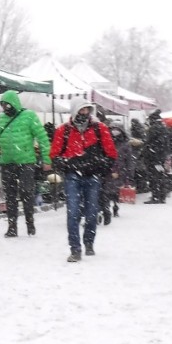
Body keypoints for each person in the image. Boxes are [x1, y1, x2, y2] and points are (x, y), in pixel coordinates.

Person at [50, 98, 117, 262]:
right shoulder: (63, 131)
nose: (85, 113)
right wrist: (66, 164)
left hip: (92, 176)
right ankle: (75, 248)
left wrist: (99, 166)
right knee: (73, 213)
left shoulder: (100, 129)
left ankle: (88, 242)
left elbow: (111, 154)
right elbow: (54, 154)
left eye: (87, 110)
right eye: (82, 110)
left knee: (92, 213)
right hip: (73, 176)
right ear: (74, 111)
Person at [0, 90, 51, 237]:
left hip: (26, 162)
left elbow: (42, 137)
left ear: (14, 103)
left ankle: (30, 223)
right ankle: (12, 227)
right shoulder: (1, 119)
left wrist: (47, 159)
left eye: (8, 104)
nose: (5, 107)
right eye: (3, 104)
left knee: (26, 192)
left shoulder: (29, 116)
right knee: (10, 195)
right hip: (7, 163)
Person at [100, 123, 134, 223]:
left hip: (120, 170)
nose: (114, 131)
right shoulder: (105, 141)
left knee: (116, 191)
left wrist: (129, 174)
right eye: (113, 129)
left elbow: (129, 160)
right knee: (105, 191)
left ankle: (115, 206)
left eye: (117, 129)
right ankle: (106, 209)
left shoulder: (125, 144)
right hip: (107, 169)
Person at [142, 109, 170, 204]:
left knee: (154, 177)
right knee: (160, 176)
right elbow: (164, 144)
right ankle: (162, 196)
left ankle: (155, 196)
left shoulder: (154, 128)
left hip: (153, 158)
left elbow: (149, 143)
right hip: (160, 157)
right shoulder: (163, 128)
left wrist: (148, 151)